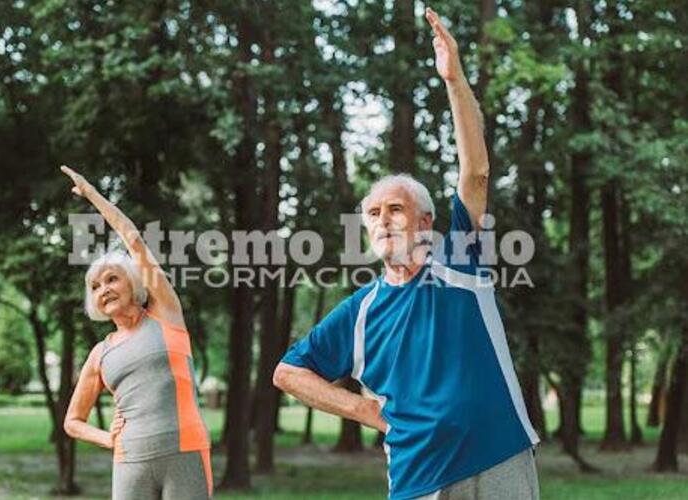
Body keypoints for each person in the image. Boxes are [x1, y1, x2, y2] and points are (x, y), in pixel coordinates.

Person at [273, 8, 540, 500]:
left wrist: (454, 80)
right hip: (420, 478)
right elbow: (287, 373)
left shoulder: (459, 260)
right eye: (372, 213)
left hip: (501, 454)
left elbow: (475, 172)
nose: (381, 220)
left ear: (425, 223)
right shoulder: (361, 311)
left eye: (394, 208)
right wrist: (363, 411)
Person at [61, 166, 212, 500]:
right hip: (130, 461)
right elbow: (72, 421)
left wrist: (91, 195)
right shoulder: (101, 353)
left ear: (134, 283)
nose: (103, 289)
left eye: (112, 279)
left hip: (185, 451)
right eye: (95, 286)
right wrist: (107, 438)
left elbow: (132, 239)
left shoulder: (166, 315)